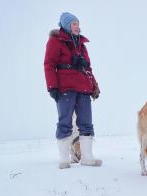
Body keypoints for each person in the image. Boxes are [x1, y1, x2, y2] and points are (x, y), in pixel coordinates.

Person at [44, 12, 102, 169]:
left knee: (86, 123)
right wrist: (52, 86)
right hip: (65, 88)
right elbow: (49, 64)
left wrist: (93, 85)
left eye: (78, 23)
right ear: (66, 24)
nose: (77, 26)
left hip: (83, 87)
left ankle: (87, 157)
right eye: (74, 23)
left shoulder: (81, 45)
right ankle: (64, 159)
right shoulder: (56, 41)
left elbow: (88, 68)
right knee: (65, 122)